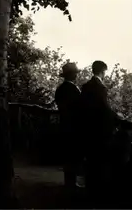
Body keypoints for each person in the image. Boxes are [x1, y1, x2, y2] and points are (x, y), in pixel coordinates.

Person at [80, 60, 120, 207]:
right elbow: (104, 108)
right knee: (100, 161)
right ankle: (99, 195)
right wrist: (116, 117)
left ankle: (90, 190)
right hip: (99, 130)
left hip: (88, 129)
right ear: (103, 71)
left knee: (90, 160)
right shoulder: (100, 87)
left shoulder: (85, 87)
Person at [54, 62, 82, 191]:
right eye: (75, 73)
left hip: (64, 124)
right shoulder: (72, 89)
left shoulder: (60, 89)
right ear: (71, 74)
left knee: (68, 154)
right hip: (73, 125)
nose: (77, 75)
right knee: (73, 154)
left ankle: (68, 182)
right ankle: (71, 183)